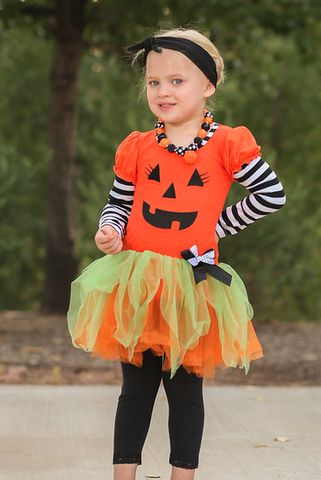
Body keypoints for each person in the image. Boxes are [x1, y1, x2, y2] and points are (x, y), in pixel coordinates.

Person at [67, 28, 286, 480]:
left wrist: (217, 227)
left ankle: (181, 475)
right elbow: (120, 202)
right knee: (135, 391)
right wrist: (110, 230)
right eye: (154, 83)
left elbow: (271, 194)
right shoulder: (139, 146)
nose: (163, 92)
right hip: (139, 285)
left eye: (177, 81)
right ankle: (123, 475)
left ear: (208, 85)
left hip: (191, 285)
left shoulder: (226, 143)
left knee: (186, 393)